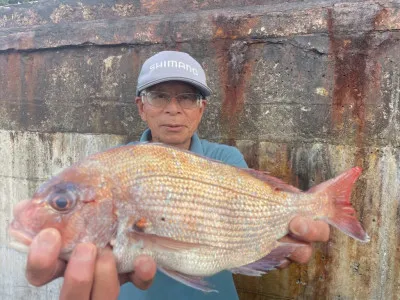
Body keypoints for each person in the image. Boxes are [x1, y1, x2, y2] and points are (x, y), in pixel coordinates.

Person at [25, 51, 330, 299]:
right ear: (141, 107)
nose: (173, 109)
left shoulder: (225, 159)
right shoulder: (113, 168)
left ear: (201, 108)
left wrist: (291, 216)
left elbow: (250, 225)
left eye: (186, 97)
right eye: (159, 96)